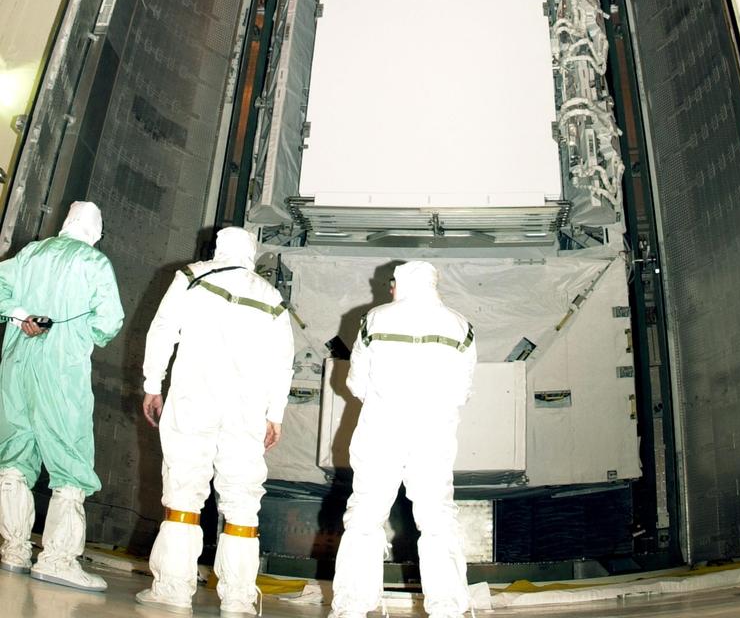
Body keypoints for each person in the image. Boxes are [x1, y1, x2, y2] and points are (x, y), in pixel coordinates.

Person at [138, 226, 295, 616]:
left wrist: (153, 384)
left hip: (194, 398)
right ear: (251, 253)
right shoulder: (270, 296)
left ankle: (173, 590)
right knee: (242, 500)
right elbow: (283, 362)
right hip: (246, 411)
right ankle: (238, 597)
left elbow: (163, 330)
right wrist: (275, 414)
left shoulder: (192, 276)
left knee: (183, 492)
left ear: (217, 248)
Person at [329, 260, 476, 618]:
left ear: (401, 284)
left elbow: (355, 383)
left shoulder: (375, 319)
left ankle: (351, 606)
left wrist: (383, 400)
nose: (391, 291)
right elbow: (462, 391)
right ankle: (446, 608)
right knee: (437, 517)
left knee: (365, 514)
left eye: (392, 284)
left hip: (381, 431)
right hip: (433, 434)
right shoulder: (460, 325)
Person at [0, 200, 124, 590]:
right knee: (70, 459)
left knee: (14, 455)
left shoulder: (31, 253)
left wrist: (21, 315)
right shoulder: (93, 262)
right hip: (61, 372)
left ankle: (13, 549)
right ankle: (58, 559)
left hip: (16, 366)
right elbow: (109, 322)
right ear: (96, 231)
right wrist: (84, 333)